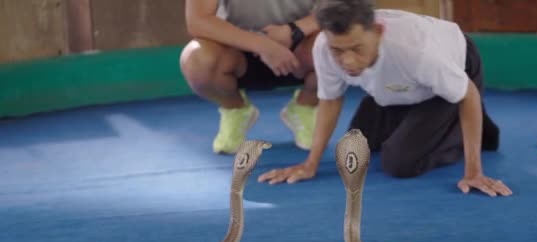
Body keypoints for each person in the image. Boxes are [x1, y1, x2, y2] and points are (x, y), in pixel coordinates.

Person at [258, 0, 513, 197]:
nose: (347, 61)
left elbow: (467, 94)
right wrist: (310, 163)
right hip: (401, 84)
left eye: (357, 48)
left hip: (456, 69)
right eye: (338, 50)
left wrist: (474, 172)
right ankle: (429, 121)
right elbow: (331, 99)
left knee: (400, 162)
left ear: (378, 31)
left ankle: (465, 130)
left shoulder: (415, 51)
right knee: (357, 147)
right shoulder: (324, 47)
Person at [180, 0, 320, 154]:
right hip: (236, 45)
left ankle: (306, 105)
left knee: (338, 47)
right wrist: (261, 45)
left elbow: (344, 7)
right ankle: (235, 109)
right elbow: (198, 20)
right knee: (196, 60)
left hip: (301, 43)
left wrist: (295, 30)